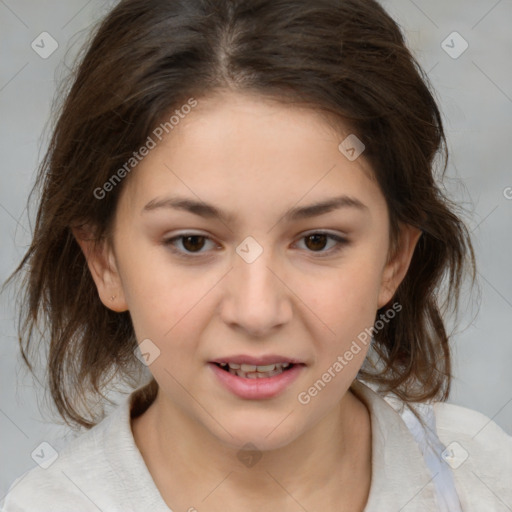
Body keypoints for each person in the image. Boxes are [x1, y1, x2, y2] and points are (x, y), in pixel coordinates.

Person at [2, 0, 511, 511]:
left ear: (394, 259)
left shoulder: (483, 474)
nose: (257, 311)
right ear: (104, 262)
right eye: (192, 242)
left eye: (318, 241)